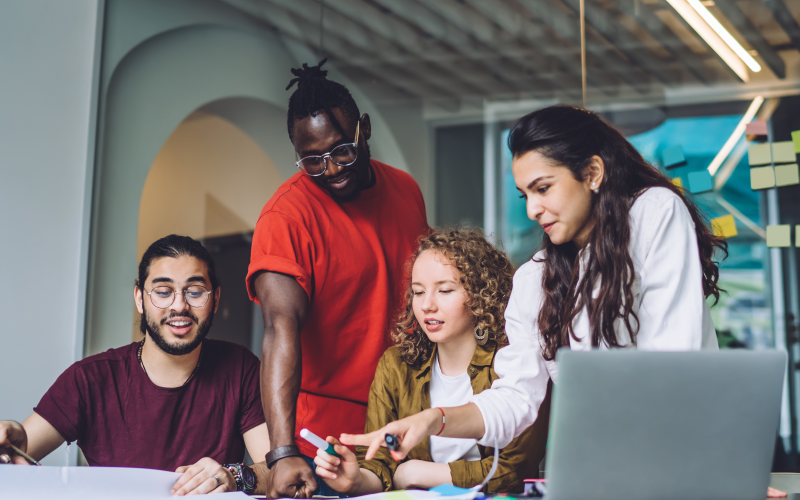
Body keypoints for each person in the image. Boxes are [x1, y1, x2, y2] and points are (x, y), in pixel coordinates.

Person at [340, 104, 730, 460]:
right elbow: (515, 398)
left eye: (543, 188)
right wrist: (432, 419)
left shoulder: (653, 213)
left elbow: (674, 359)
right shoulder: (534, 280)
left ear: (592, 173)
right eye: (524, 194)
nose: (532, 209)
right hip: (606, 462)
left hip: (681, 452)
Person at [246, 60, 429, 498]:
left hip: (403, 428)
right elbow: (278, 330)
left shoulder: (405, 188)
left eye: (342, 150)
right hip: (323, 446)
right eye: (312, 160)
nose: (331, 169)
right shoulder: (286, 217)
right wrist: (282, 451)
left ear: (363, 129)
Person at [0, 235, 270, 496]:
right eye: (163, 292)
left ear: (215, 299)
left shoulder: (241, 368)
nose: (179, 305)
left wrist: (234, 477)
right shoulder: (88, 379)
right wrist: (11, 450)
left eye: (195, 292)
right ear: (140, 299)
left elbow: (278, 472)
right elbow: (15, 457)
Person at [313, 230, 549, 494]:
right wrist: (356, 480)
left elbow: (514, 472)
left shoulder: (516, 362)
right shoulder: (395, 366)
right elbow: (381, 465)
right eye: (418, 292)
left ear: (483, 294)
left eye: (445, 290)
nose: (427, 305)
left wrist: (418, 473)